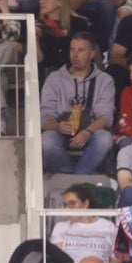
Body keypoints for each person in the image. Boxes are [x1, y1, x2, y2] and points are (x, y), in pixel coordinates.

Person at [40, 33, 118, 175]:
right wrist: (57, 126)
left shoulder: (104, 80)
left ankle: (79, 177)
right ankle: (67, 176)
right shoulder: (54, 78)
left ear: (92, 54)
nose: (75, 55)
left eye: (81, 50)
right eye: (72, 49)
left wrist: (87, 132)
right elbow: (44, 117)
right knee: (47, 140)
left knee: (105, 139)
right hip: (61, 133)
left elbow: (106, 117)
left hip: (90, 132)